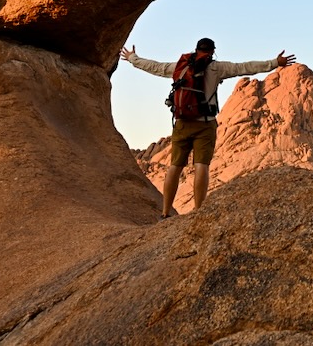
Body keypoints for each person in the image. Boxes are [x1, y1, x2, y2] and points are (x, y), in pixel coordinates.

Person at [120, 38, 296, 218]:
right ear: (212, 51)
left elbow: (155, 67)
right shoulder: (217, 68)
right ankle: (198, 212)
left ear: (196, 50)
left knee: (175, 166)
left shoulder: (180, 67)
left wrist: (133, 58)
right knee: (201, 165)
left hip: (182, 123)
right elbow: (245, 67)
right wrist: (275, 63)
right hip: (205, 123)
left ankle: (165, 213)